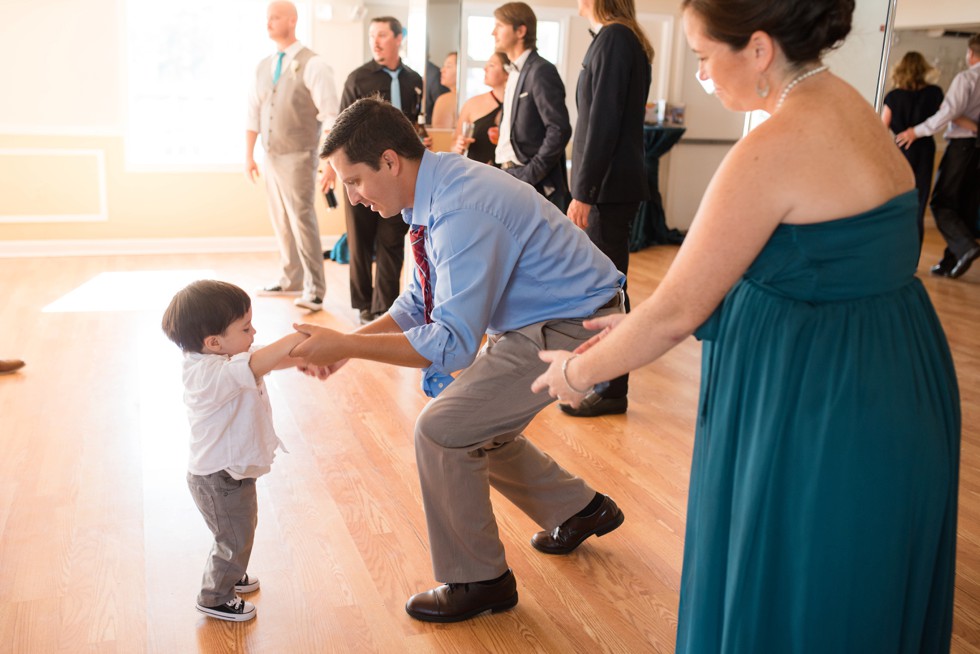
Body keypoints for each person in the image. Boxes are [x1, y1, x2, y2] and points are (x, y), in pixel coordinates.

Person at [533, 0, 961, 650]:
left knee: (804, 588)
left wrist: (575, 371)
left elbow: (676, 308)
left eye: (704, 58)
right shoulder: (854, 109)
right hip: (895, 374)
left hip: (820, 404)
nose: (702, 75)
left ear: (758, 49)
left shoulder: (773, 148)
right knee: (858, 587)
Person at [292, 98, 627, 623]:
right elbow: (418, 303)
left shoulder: (459, 209)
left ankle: (479, 581)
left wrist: (349, 346)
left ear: (389, 161)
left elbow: (452, 343)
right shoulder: (432, 192)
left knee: (443, 429)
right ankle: (579, 510)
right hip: (546, 320)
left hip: (577, 328)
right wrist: (349, 344)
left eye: (353, 180)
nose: (352, 198)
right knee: (468, 425)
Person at [161, 280, 317, 622]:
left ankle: (230, 570)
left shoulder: (224, 355)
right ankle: (215, 595)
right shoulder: (207, 374)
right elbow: (256, 364)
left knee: (238, 531)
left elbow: (264, 359)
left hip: (226, 473)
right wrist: (295, 340)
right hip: (218, 478)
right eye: (246, 327)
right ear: (213, 342)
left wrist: (303, 358)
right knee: (235, 535)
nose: (254, 331)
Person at [559, 0, 654, 419]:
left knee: (606, 290)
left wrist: (585, 191)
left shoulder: (616, 38)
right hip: (608, 186)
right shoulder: (613, 38)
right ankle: (605, 380)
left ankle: (611, 386)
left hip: (608, 189)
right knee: (603, 286)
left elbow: (602, 124)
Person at [246, 1, 338, 313]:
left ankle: (315, 289)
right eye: (267, 18)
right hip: (270, 155)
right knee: (281, 220)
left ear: (292, 20)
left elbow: (330, 116)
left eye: (275, 17)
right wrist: (249, 155)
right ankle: (290, 278)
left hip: (300, 154)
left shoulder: (314, 65)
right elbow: (253, 113)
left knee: (302, 219)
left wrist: (330, 162)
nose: (268, 23)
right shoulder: (263, 65)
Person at [339, 17, 425, 325]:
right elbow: (340, 131)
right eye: (372, 36)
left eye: (382, 35)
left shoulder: (415, 79)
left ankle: (384, 308)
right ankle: (364, 304)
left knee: (391, 239)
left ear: (399, 38)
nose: (375, 41)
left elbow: (416, 122)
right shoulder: (357, 79)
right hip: (362, 173)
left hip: (397, 175)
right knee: (361, 240)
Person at [896, 34, 980, 279]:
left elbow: (948, 113)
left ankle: (966, 246)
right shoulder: (937, 90)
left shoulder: (967, 78)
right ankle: (951, 261)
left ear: (971, 54)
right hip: (976, 147)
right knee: (964, 203)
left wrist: (916, 131)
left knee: (941, 202)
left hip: (962, 146)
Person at [492, 2, 572, 211]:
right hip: (508, 173)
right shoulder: (515, 72)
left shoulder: (541, 70)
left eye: (500, 26)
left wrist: (530, 174)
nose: (494, 32)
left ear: (520, 31)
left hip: (531, 178)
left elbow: (559, 129)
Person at [882, 52, 944, 247]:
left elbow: (882, 129)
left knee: (898, 201)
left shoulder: (893, 97)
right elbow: (942, 120)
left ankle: (894, 250)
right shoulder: (934, 93)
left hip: (901, 151)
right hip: (925, 150)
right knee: (919, 203)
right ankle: (913, 256)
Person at [451, 51, 510, 165]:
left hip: (510, 174)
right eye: (486, 65)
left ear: (507, 72)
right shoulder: (472, 104)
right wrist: (458, 146)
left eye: (492, 65)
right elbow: (453, 144)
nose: (485, 69)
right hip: (475, 174)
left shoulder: (519, 106)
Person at [430, 52, 458, 129]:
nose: (442, 70)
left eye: (448, 66)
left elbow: (440, 136)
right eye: (443, 66)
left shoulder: (445, 100)